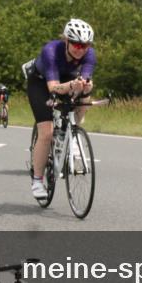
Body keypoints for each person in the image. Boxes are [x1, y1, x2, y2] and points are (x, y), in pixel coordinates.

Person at [23, 18, 96, 199]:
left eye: (84, 46)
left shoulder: (90, 55)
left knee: (84, 97)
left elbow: (85, 80)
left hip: (66, 80)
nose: (80, 49)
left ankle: (72, 135)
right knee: (46, 133)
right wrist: (73, 85)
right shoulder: (51, 51)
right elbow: (53, 88)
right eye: (76, 45)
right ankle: (38, 180)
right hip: (41, 83)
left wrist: (85, 86)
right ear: (66, 41)